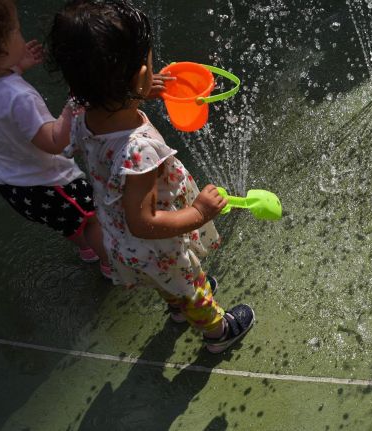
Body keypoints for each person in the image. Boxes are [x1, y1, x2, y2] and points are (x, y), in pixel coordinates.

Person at [47, 0, 254, 354]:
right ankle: (217, 331)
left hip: (123, 239)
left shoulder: (83, 115)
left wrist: (138, 91)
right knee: (194, 288)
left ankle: (176, 304)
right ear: (141, 74)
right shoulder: (138, 149)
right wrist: (200, 212)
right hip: (155, 243)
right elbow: (144, 222)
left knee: (169, 281)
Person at [0, 0, 110, 275]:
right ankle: (112, 265)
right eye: (15, 30)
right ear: (1, 49)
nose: (21, 33)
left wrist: (15, 68)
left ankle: (86, 250)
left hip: (13, 185)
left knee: (68, 221)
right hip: (50, 182)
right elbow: (53, 141)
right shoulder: (19, 97)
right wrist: (71, 108)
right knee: (93, 219)